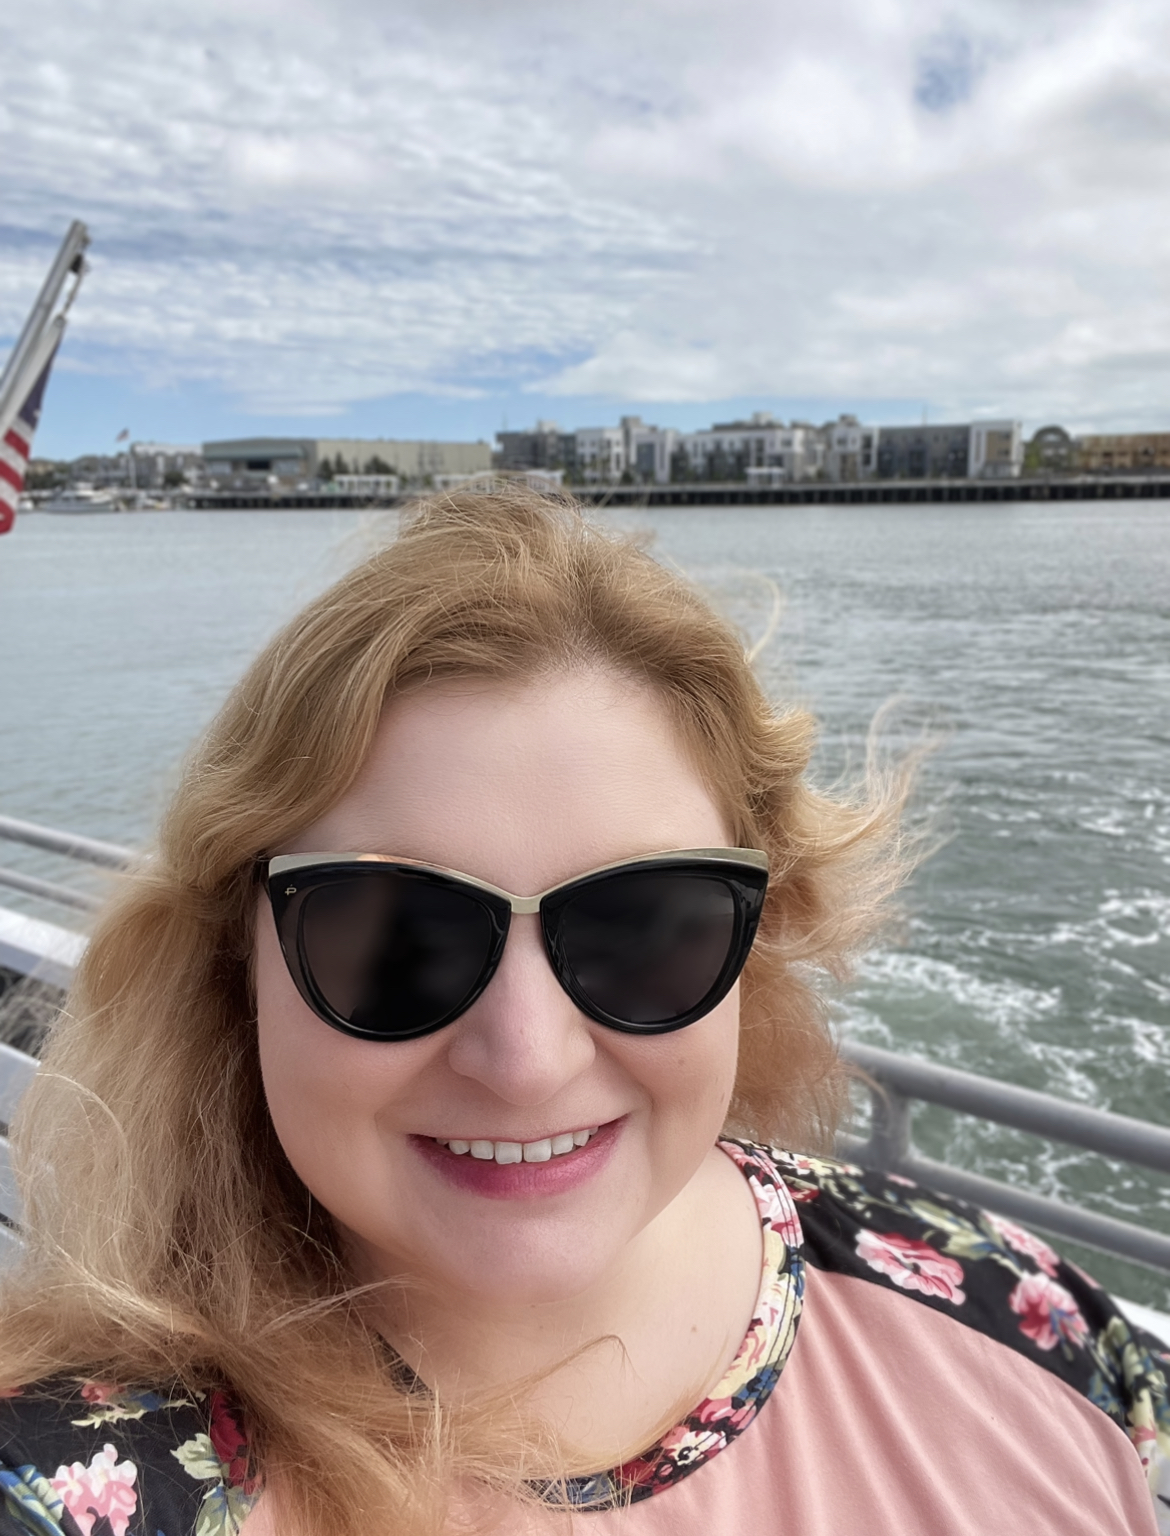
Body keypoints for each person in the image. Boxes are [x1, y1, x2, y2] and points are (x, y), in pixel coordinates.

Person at [0, 490, 1165, 1536]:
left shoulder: (1033, 1338)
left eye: (645, 927)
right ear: (232, 970)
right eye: (395, 938)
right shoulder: (87, 1492)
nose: (525, 1057)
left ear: (753, 947)